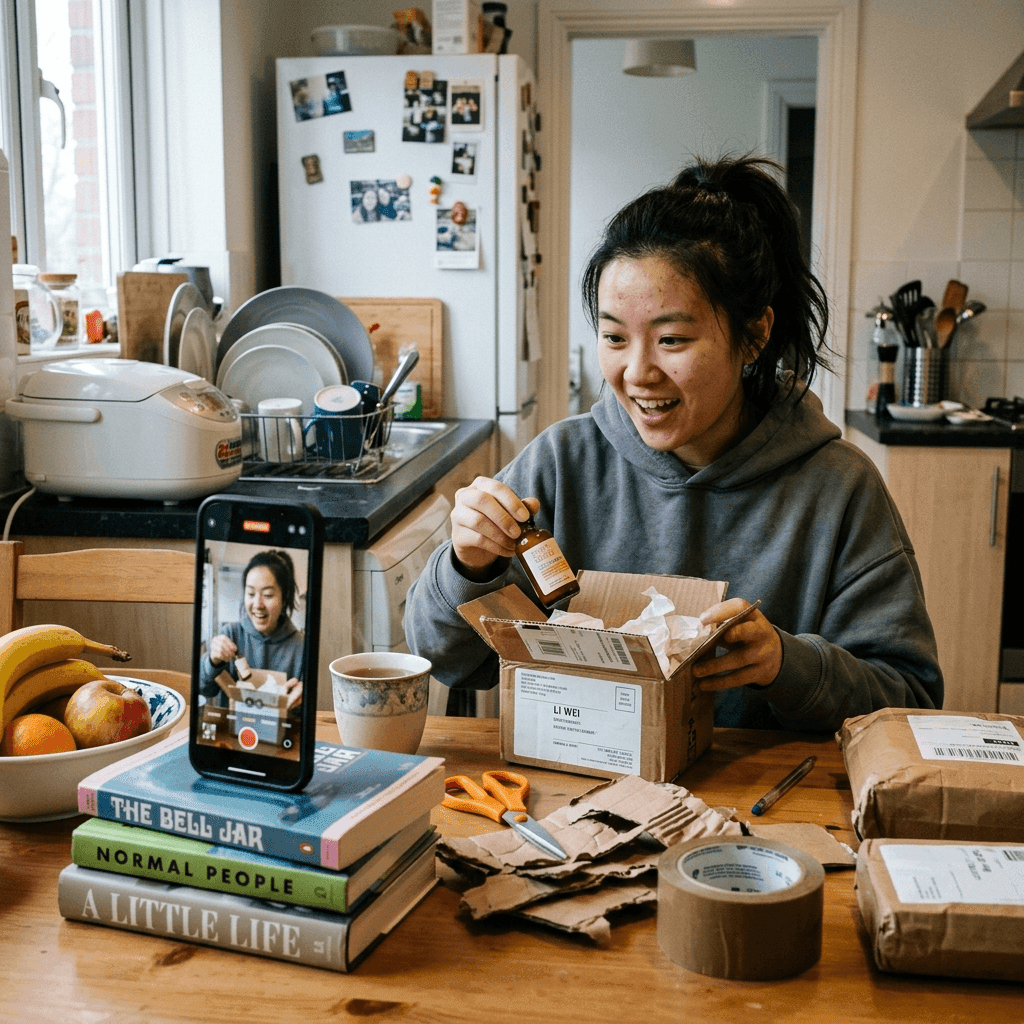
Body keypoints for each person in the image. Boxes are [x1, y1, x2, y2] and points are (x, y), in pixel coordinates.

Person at [404, 153, 943, 732]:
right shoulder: (562, 463)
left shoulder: (838, 488)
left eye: (672, 339)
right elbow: (447, 658)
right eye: (614, 337)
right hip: (574, 792)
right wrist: (468, 565)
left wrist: (785, 663)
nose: (638, 372)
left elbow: (909, 700)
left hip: (764, 806)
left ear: (755, 334)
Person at [199, 549, 305, 711]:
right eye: (250, 593)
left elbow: (304, 714)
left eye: (268, 595)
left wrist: (302, 698)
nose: (257, 604)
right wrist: (212, 661)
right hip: (232, 732)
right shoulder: (230, 634)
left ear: (284, 598)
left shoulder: (301, 647)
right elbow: (204, 689)